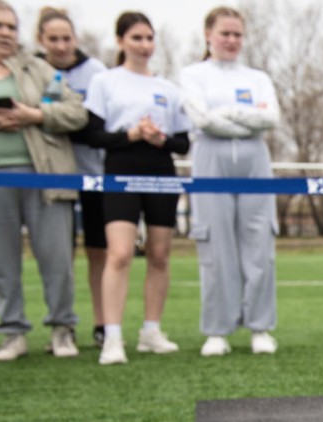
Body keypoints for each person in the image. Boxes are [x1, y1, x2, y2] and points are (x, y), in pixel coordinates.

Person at [0, 0, 86, 361]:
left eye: (11, 27)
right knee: (0, 261)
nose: (6, 33)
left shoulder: (38, 68)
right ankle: (12, 333)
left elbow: (76, 112)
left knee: (57, 257)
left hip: (45, 177)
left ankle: (62, 330)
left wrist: (34, 114)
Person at [79, 12, 190, 365]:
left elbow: (183, 143)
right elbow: (92, 135)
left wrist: (159, 138)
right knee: (120, 254)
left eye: (148, 38)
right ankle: (112, 336)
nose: (144, 45)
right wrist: (131, 134)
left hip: (161, 173)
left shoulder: (168, 89)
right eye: (137, 38)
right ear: (121, 41)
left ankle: (151, 331)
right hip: (120, 172)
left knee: (159, 255)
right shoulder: (105, 82)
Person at [179, 6, 279, 357]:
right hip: (210, 160)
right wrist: (245, 118)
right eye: (225, 33)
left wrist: (230, 113)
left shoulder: (257, 77)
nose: (231, 40)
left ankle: (260, 326)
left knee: (259, 244)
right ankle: (217, 330)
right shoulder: (192, 75)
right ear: (209, 35)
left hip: (255, 160)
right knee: (215, 246)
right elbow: (203, 121)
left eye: (237, 34)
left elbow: (271, 117)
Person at [35, 6, 107, 347]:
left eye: (67, 38)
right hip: (51, 177)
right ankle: (62, 327)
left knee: (98, 252)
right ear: (40, 40)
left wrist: (45, 118)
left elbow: (95, 126)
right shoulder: (34, 70)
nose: (61, 45)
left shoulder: (95, 72)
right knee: (59, 255)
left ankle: (103, 323)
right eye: (53, 39)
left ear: (75, 39)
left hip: (93, 176)